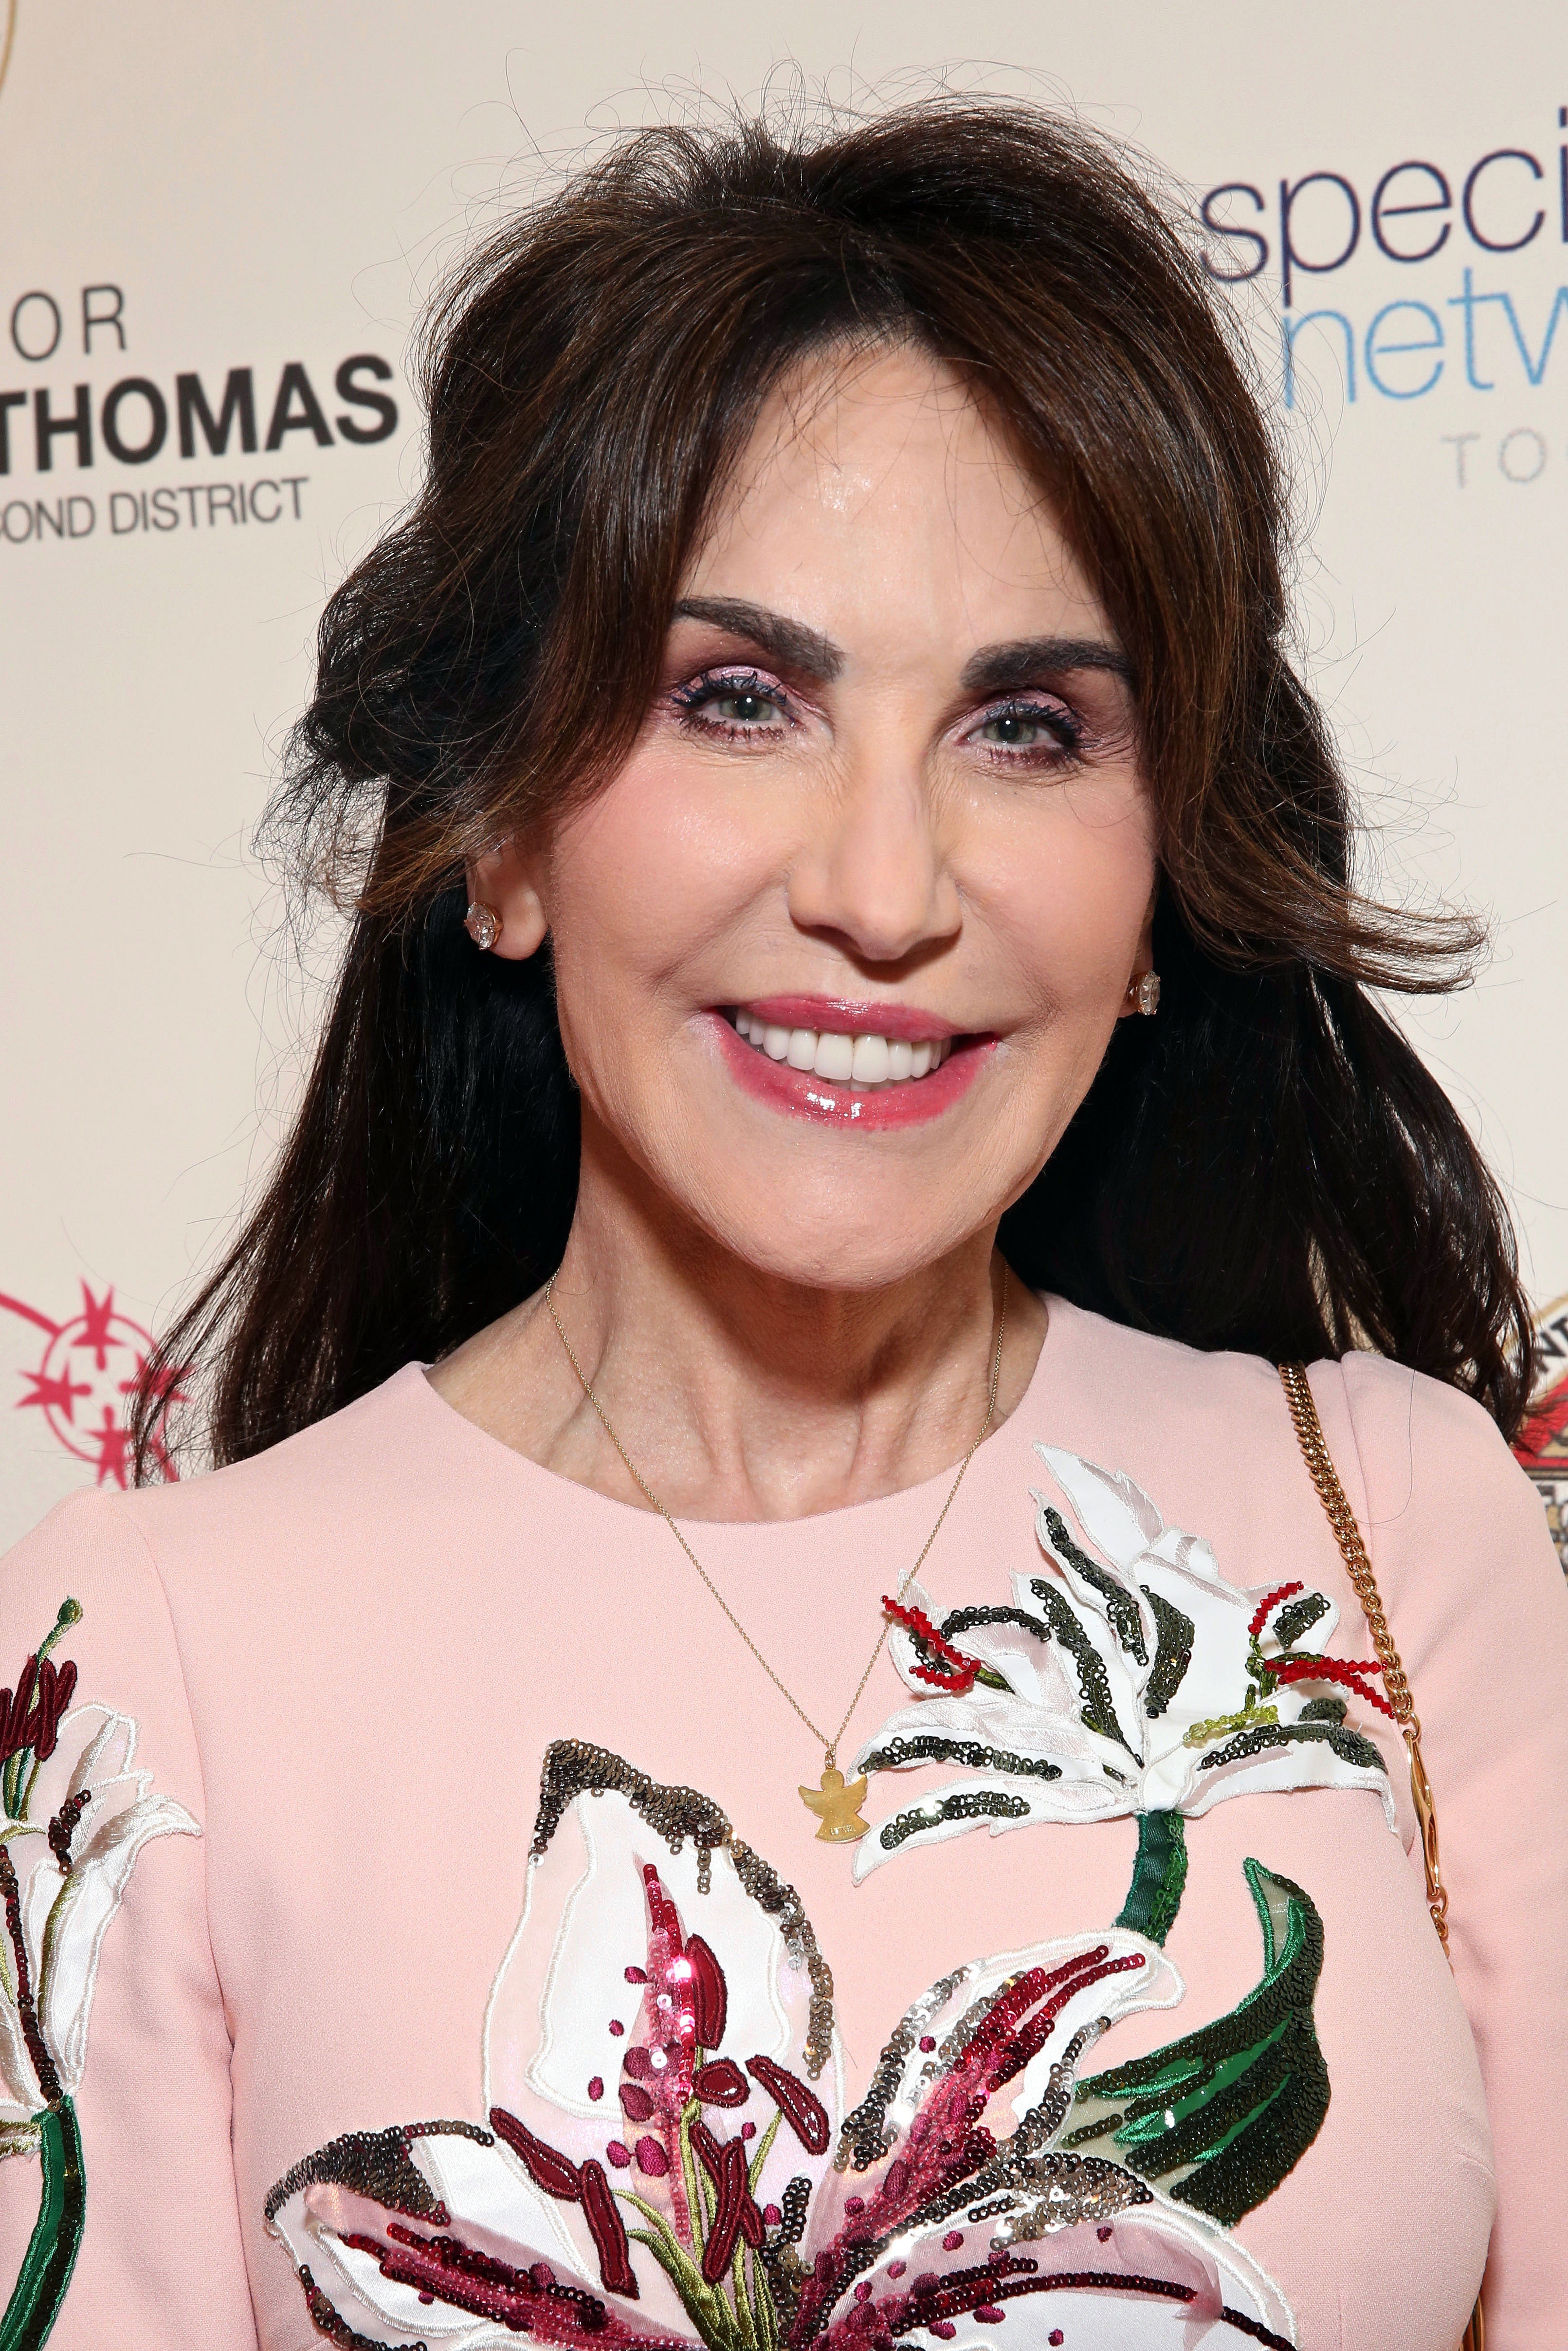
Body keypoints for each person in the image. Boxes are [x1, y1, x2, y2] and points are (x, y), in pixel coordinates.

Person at [1, 97, 1563, 2351]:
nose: (881, 888)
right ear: (499, 838)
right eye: (737, 699)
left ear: (1153, 896)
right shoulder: (152, 1657)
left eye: (1027, 729)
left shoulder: (1396, 1531)